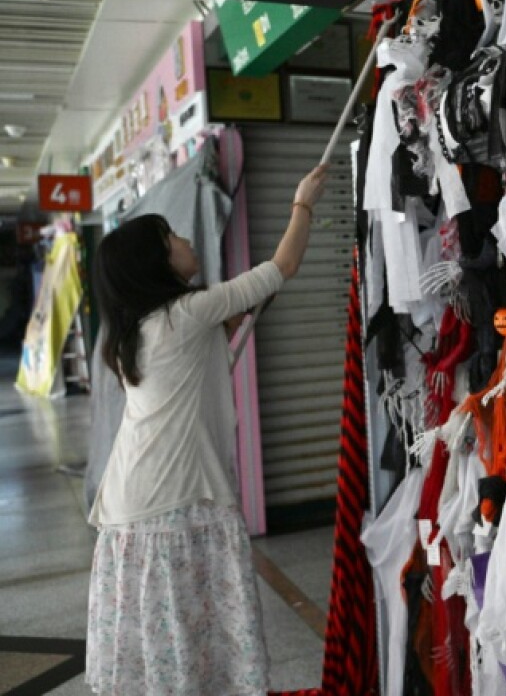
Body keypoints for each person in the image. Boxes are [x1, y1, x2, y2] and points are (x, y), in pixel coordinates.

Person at [84, 164, 328, 695]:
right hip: (177, 502)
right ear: (155, 263)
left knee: (167, 642)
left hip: (131, 505)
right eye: (171, 238)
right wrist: (303, 202)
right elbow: (283, 266)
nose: (186, 239)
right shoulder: (189, 313)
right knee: (195, 631)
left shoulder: (136, 331)